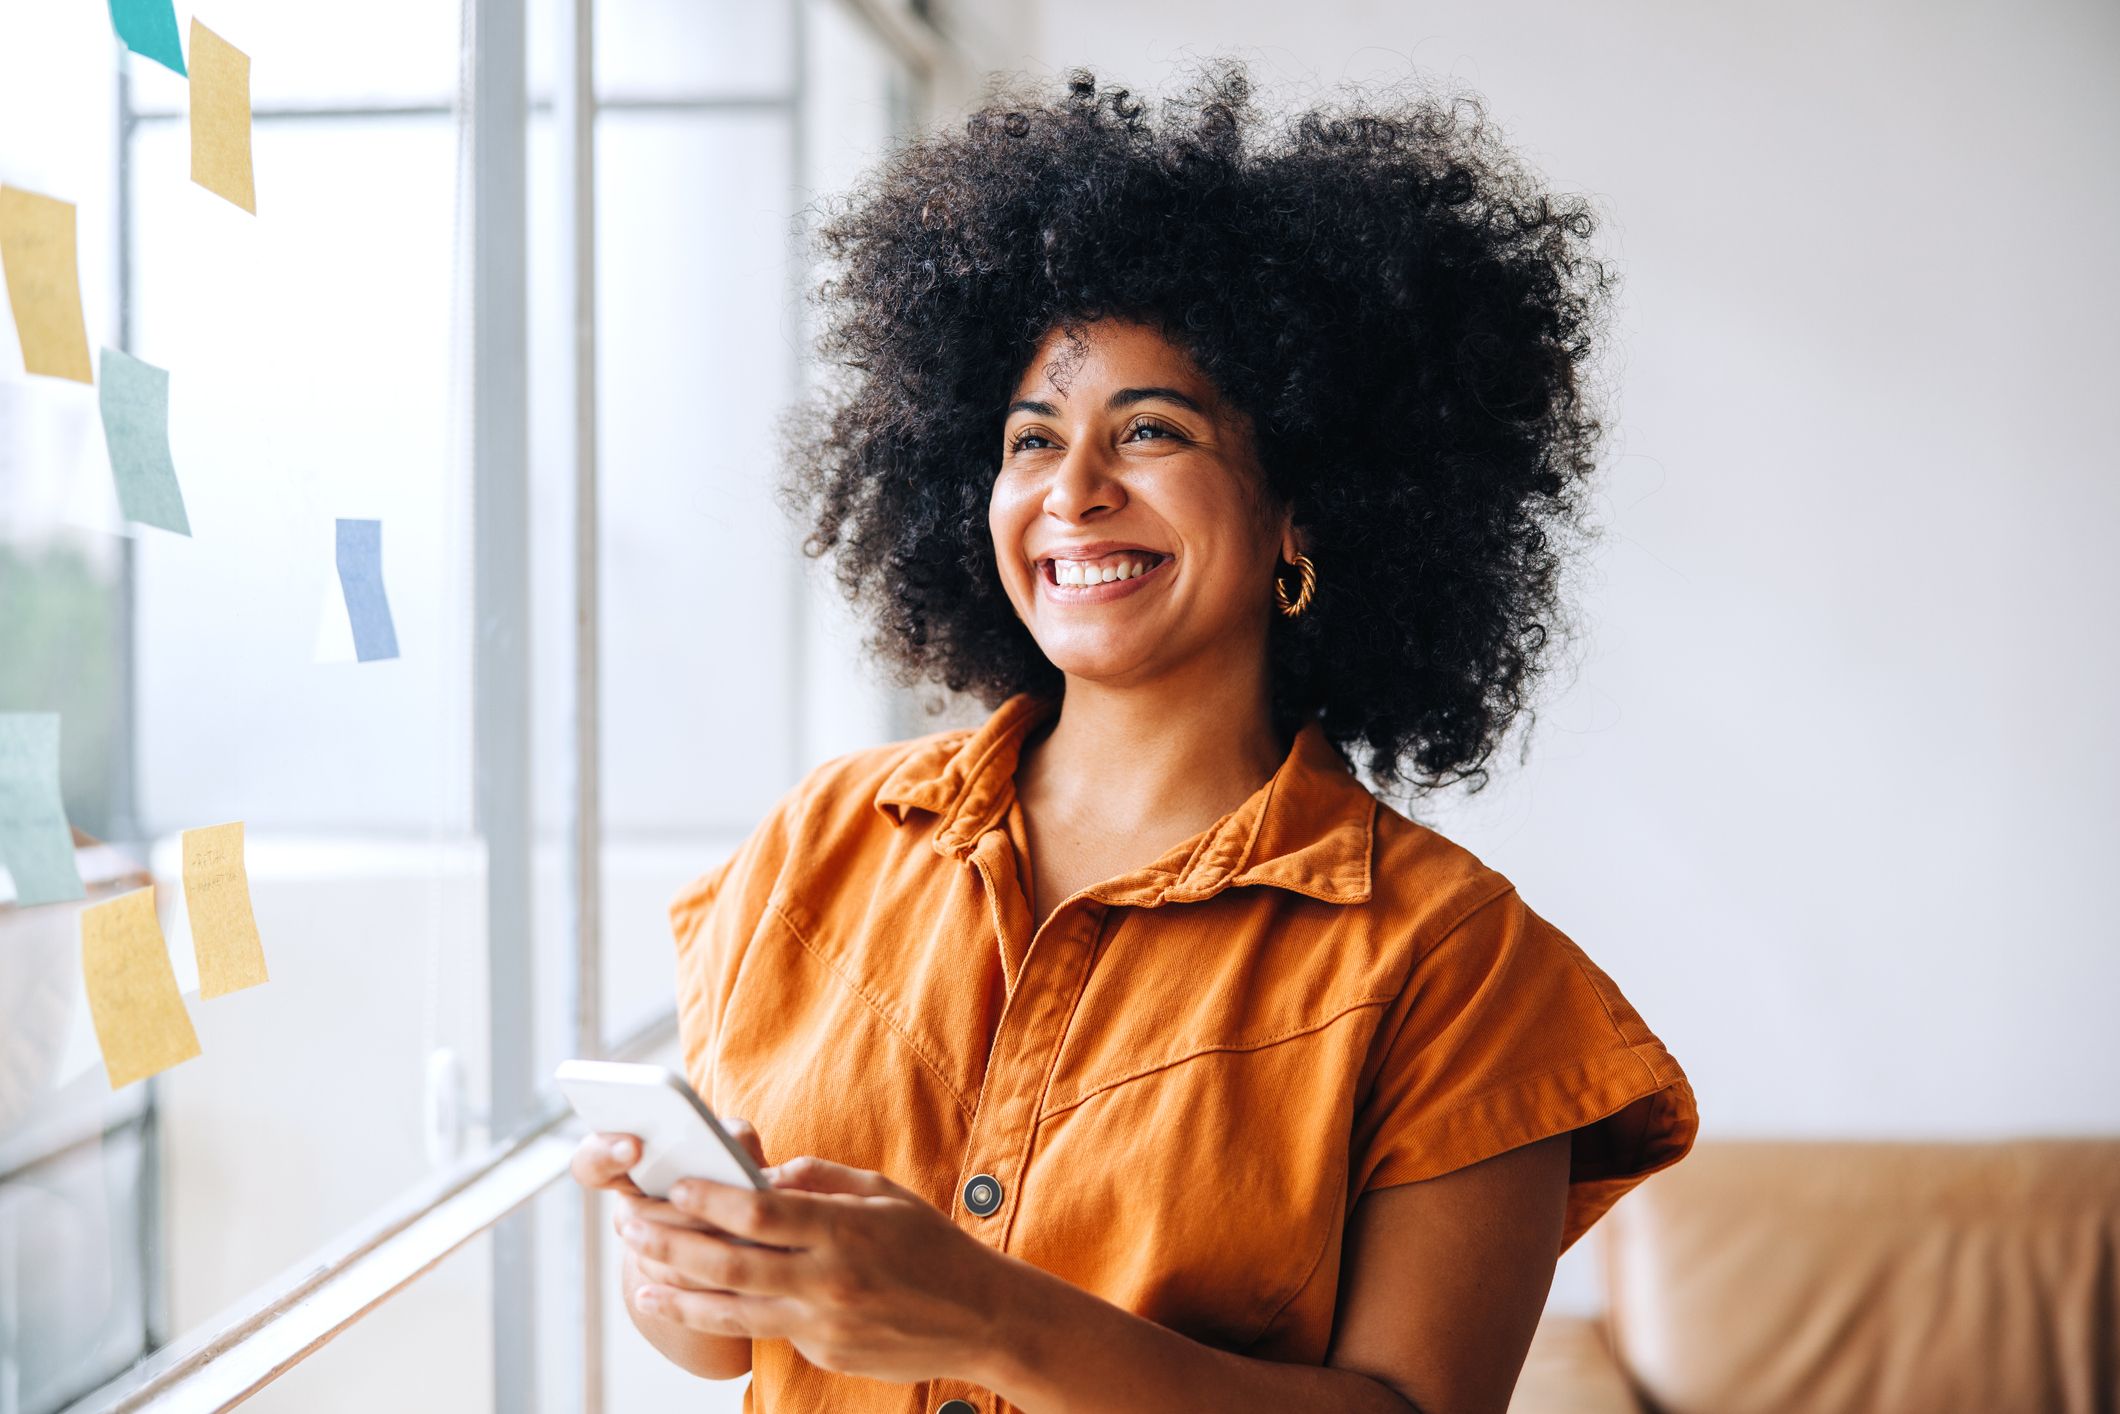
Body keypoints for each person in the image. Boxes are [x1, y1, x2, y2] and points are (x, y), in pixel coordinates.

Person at [571, 58, 1697, 1414]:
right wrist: (683, 1260)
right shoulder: (826, 841)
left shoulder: (1457, 967)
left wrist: (991, 1318)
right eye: (1030, 439)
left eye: (1150, 429)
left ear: (1306, 511)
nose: (1074, 492)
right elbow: (719, 1347)